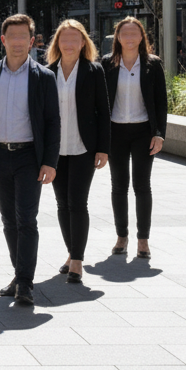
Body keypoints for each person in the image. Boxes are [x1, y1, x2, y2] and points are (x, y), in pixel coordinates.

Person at [0, 14, 61, 307]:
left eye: (23, 37)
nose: (17, 42)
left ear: (31, 42)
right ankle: (18, 275)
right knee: (8, 220)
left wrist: (50, 161)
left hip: (30, 156)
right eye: (12, 37)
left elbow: (53, 122)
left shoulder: (44, 77)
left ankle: (26, 283)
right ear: (3, 40)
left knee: (26, 219)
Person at [45, 20, 110, 284]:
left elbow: (104, 112)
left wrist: (104, 149)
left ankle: (78, 262)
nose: (69, 44)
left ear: (83, 43)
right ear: (57, 43)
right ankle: (71, 253)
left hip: (84, 147)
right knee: (62, 204)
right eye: (64, 39)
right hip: (55, 150)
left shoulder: (94, 71)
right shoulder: (47, 72)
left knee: (77, 202)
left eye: (75, 39)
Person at [105, 17, 167, 260]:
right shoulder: (107, 65)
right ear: (117, 37)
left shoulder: (152, 64)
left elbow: (161, 103)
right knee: (118, 186)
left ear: (142, 37)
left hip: (144, 133)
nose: (129, 38)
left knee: (142, 186)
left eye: (134, 34)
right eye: (124, 34)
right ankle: (122, 236)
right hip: (115, 133)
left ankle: (143, 240)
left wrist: (159, 134)